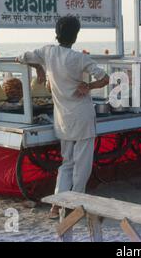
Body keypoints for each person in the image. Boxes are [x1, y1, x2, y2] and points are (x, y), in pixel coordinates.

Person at [17, 16, 110, 218]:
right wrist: (89, 87)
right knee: (82, 164)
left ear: (57, 33)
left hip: (62, 119)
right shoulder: (80, 58)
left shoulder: (47, 52)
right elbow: (104, 78)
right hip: (83, 117)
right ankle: (75, 204)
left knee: (66, 162)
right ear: (76, 35)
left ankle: (57, 205)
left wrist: (39, 67)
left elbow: (23, 56)